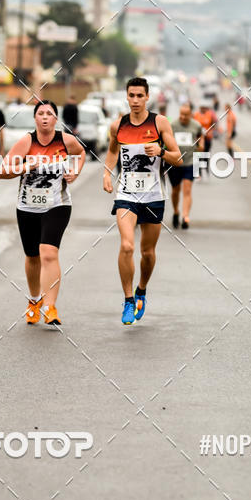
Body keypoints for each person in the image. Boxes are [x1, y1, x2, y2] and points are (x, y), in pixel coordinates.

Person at [102, 76, 182, 325]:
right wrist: (107, 173)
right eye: (131, 95)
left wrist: (161, 151)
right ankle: (127, 300)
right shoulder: (118, 126)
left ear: (148, 97)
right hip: (126, 195)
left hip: (153, 196)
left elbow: (178, 157)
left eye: (140, 95)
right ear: (126, 96)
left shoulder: (159, 123)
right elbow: (113, 151)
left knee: (147, 252)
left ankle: (142, 290)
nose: (135, 100)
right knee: (127, 246)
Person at [0, 100, 86, 325]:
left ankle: (50, 307)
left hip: (57, 205)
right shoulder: (26, 142)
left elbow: (80, 153)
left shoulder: (66, 140)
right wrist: (26, 166)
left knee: (48, 252)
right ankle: (35, 300)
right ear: (35, 118)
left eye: (49, 114)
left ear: (56, 119)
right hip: (27, 207)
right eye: (40, 113)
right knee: (32, 256)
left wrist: (74, 173)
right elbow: (3, 171)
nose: (45, 117)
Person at [168, 103, 203, 229]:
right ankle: (176, 211)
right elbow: (167, 141)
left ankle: (185, 216)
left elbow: (200, 136)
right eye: (181, 114)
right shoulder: (172, 125)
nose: (183, 117)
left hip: (191, 162)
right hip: (175, 163)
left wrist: (201, 146)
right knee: (175, 190)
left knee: (187, 190)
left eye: (186, 115)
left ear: (191, 115)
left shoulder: (196, 125)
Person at [193, 101, 217, 177]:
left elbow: (214, 124)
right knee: (198, 155)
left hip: (207, 137)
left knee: (206, 154)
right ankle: (199, 172)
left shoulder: (210, 115)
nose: (203, 109)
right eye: (202, 108)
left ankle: (206, 169)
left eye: (204, 108)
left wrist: (211, 131)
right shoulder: (196, 115)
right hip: (198, 138)